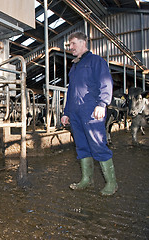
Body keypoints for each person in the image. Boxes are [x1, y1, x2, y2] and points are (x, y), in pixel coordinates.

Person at [61, 32, 118, 196]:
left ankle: (112, 183)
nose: (70, 48)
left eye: (73, 44)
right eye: (69, 45)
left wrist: (102, 104)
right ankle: (87, 180)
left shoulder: (96, 61)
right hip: (76, 113)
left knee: (98, 144)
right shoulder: (75, 66)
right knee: (81, 146)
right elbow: (71, 92)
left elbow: (106, 82)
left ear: (83, 42)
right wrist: (66, 112)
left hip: (92, 110)